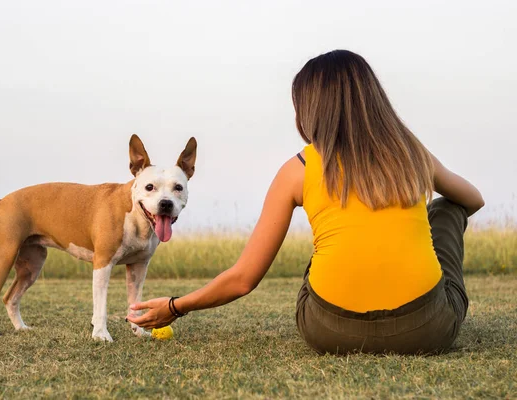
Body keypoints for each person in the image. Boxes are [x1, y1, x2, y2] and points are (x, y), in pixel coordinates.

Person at [127, 50, 485, 354]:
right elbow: (473, 200)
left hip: (329, 332)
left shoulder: (297, 169)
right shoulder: (411, 153)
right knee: (446, 208)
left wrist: (175, 307)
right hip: (428, 331)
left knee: (324, 246)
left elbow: (243, 279)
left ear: (311, 111)